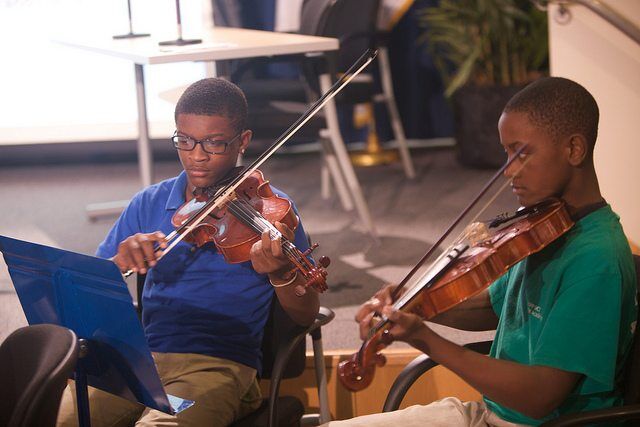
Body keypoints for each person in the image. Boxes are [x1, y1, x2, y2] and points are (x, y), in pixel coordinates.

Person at [323, 77, 638, 427]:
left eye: (521, 153)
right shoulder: (545, 227)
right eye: (506, 153)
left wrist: (425, 339)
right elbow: (494, 307)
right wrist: (414, 303)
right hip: (491, 414)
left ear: (574, 149)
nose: (508, 171)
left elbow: (539, 398)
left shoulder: (596, 258)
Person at [57, 77, 320, 427]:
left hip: (216, 368)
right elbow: (87, 294)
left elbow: (306, 312)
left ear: (243, 141)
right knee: (52, 416)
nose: (196, 156)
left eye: (214, 143)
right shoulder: (148, 202)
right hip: (138, 362)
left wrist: (281, 273)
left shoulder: (271, 211)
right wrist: (119, 263)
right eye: (185, 140)